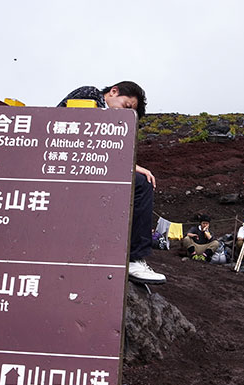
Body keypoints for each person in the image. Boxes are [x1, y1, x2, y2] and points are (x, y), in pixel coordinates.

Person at [57, 81, 165, 284]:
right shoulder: (89, 95)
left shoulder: (109, 120)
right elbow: (85, 139)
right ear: (113, 92)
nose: (125, 115)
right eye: (126, 107)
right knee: (141, 184)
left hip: (86, 168)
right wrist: (133, 167)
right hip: (64, 166)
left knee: (139, 184)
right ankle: (133, 259)